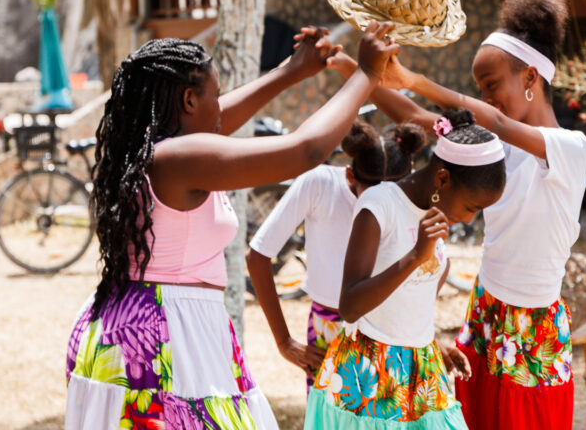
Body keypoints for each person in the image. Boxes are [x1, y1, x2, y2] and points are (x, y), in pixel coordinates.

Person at [65, 22, 399, 430]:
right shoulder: (181, 159)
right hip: (164, 337)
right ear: (188, 100)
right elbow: (305, 150)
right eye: (216, 94)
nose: (221, 108)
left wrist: (291, 71)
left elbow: (219, 121)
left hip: (141, 323)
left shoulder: (153, 152)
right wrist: (366, 73)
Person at [324, 0, 586, 428]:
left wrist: (415, 79)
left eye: (491, 85)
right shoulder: (492, 147)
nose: (486, 99)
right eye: (480, 90)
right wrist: (358, 70)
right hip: (487, 307)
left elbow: (496, 120)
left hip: (535, 325)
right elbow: (415, 117)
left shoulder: (570, 148)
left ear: (530, 77)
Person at [305, 108, 506, 429]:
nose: (469, 219)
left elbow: (408, 302)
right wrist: (414, 257)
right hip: (370, 376)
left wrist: (431, 343)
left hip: (421, 368)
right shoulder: (379, 205)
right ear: (443, 178)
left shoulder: (435, 211)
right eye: (472, 207)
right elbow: (350, 306)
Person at [247, 120, 426, 392]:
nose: (385, 202)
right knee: (328, 413)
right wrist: (284, 342)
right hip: (330, 333)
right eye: (374, 194)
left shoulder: (413, 195)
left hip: (393, 331)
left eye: (393, 193)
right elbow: (258, 255)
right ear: (350, 176)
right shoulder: (319, 184)